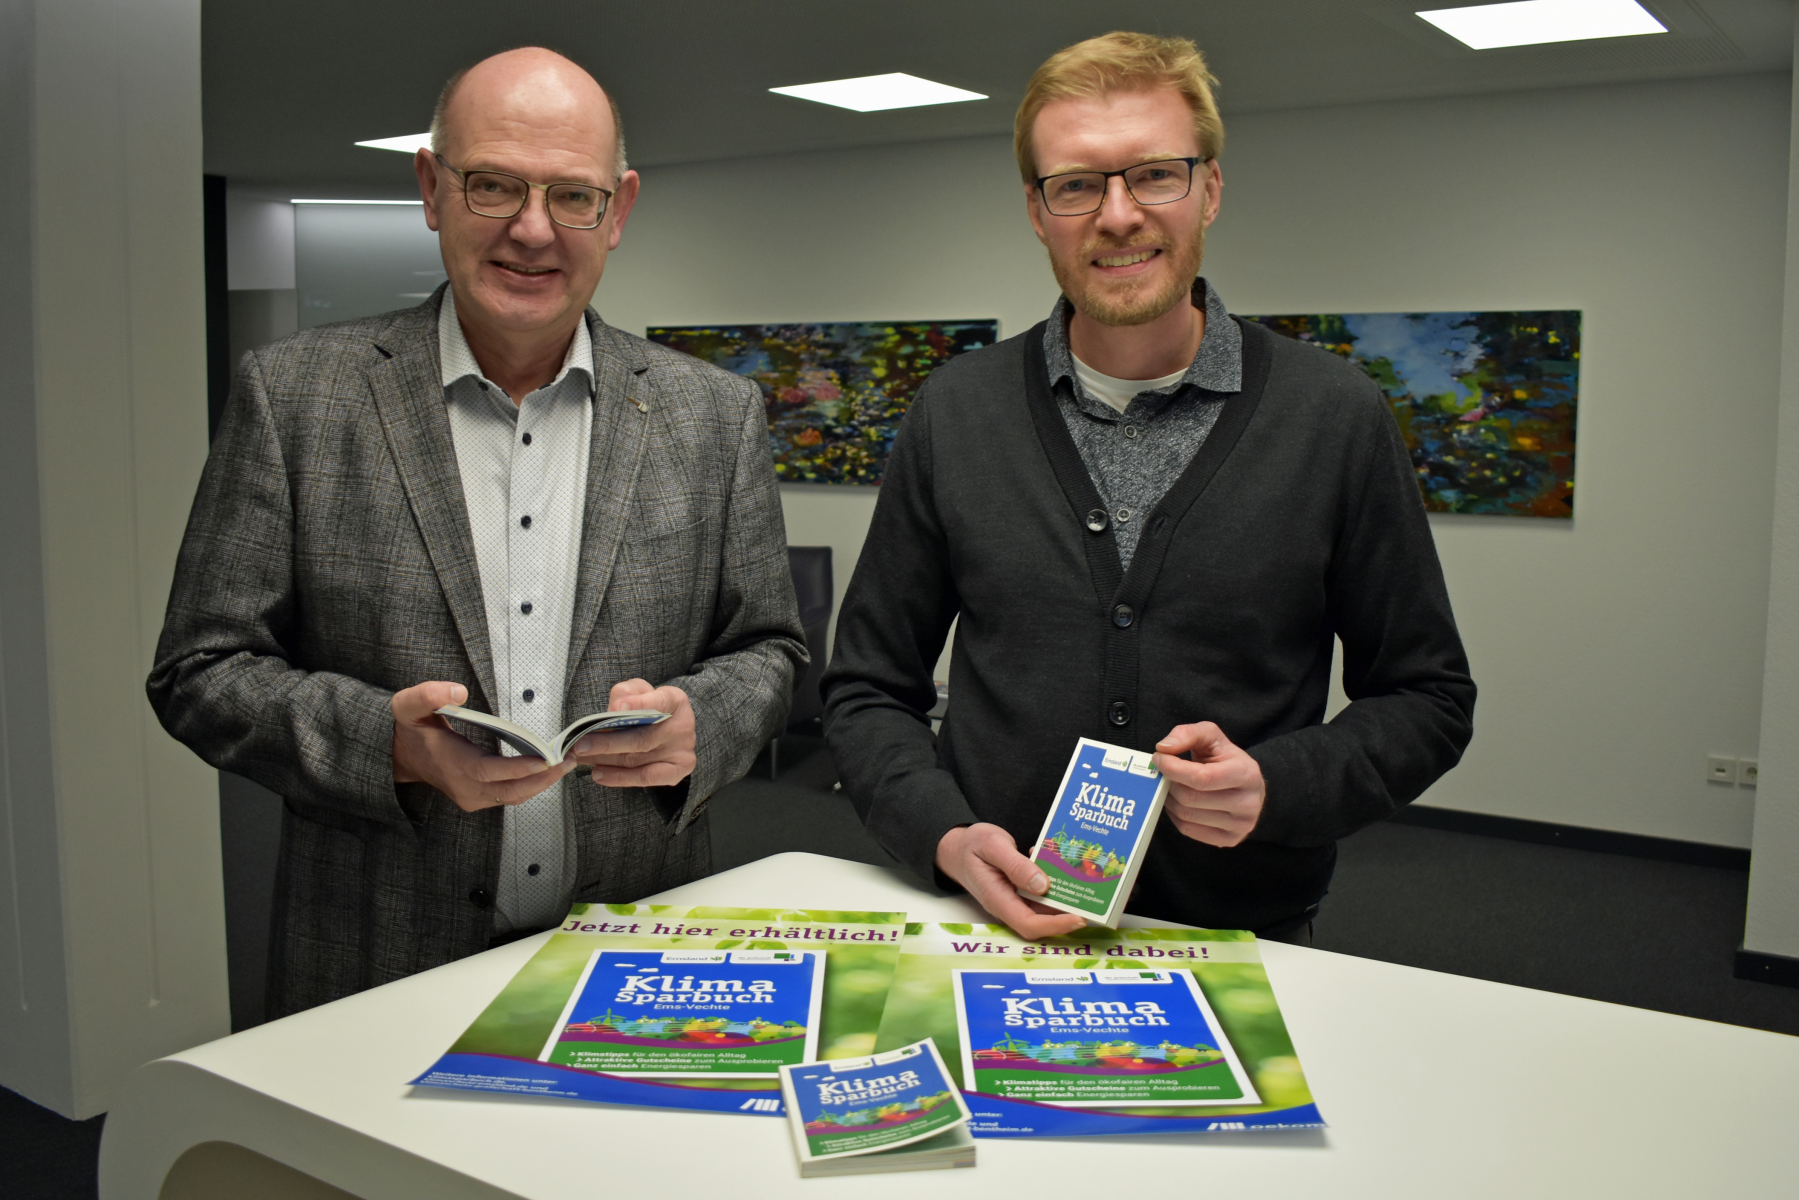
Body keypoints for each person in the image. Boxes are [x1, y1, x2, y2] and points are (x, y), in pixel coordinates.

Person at [149, 48, 805, 1017]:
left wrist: (701, 725)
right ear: (430, 187)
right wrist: (390, 746)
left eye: (572, 196)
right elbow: (198, 669)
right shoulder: (294, 399)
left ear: (617, 210)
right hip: (375, 966)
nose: (532, 231)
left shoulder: (714, 416)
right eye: (494, 184)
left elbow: (773, 653)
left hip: (633, 971)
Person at [821, 32, 1475, 943]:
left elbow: (1426, 698)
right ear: (1036, 210)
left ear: (1210, 189)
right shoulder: (955, 411)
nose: (1118, 215)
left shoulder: (1335, 416)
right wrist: (944, 836)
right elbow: (864, 690)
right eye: (1077, 184)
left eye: (1155, 175)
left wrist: (1277, 786)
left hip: (1243, 930)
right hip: (990, 921)